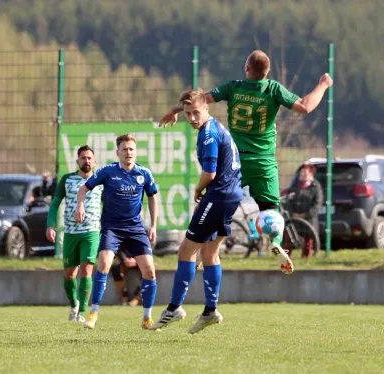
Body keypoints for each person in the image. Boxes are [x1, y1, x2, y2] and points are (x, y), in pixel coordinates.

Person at [160, 50, 333, 274]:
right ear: (267, 71)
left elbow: (201, 100)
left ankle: (201, 243)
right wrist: (323, 85)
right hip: (264, 162)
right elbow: (305, 106)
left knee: (215, 203)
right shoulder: (273, 89)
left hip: (234, 160)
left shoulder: (234, 87)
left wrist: (175, 109)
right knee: (271, 209)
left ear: (246, 68)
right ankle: (276, 242)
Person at [150, 88, 242, 334]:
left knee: (186, 250)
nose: (191, 118)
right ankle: (210, 311)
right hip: (232, 194)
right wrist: (174, 109)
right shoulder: (212, 125)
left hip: (218, 194)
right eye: (188, 113)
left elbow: (209, 173)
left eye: (195, 113)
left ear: (207, 109)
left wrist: (196, 190)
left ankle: (174, 308)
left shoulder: (208, 134)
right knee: (210, 253)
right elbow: (193, 102)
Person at [75, 134, 159, 330]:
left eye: (131, 149)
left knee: (149, 271)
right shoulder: (108, 172)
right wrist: (80, 206)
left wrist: (153, 225)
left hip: (136, 228)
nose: (128, 152)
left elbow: (153, 197)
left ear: (135, 152)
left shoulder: (144, 173)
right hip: (112, 227)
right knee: (104, 264)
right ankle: (93, 313)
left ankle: (147, 318)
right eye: (124, 149)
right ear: (118, 152)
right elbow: (83, 189)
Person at [46, 145, 103, 323]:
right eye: (83, 158)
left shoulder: (100, 181)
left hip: (91, 232)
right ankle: (74, 305)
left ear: (94, 161)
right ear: (77, 161)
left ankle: (82, 313)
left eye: (89, 158)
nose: (86, 161)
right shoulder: (67, 180)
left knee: (87, 268)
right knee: (70, 274)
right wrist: (50, 226)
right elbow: (55, 204)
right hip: (70, 232)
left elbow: (108, 206)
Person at [283, 162, 323, 258]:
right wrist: (292, 213)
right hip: (294, 218)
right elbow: (288, 199)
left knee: (308, 239)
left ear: (311, 173)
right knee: (288, 238)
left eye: (305, 172)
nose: (303, 174)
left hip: (308, 219)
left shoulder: (315, 187)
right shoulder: (295, 186)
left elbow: (317, 204)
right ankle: (285, 257)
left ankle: (305, 257)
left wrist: (305, 214)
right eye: (302, 172)